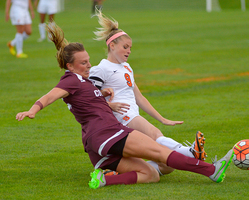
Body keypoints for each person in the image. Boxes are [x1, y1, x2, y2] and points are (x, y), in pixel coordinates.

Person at [16, 22, 234, 189]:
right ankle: (211, 170)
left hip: (97, 146)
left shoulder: (83, 82)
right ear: (69, 66)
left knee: (153, 174)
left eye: (88, 60)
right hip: (108, 132)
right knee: (160, 151)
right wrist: (33, 110)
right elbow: (49, 96)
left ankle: (104, 180)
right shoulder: (70, 80)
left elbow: (85, 101)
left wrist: (103, 96)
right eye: (83, 63)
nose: (89, 65)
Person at [89, 11, 207, 175]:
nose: (129, 51)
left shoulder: (127, 68)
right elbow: (88, 97)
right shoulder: (101, 68)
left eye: (130, 47)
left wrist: (162, 118)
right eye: (125, 47)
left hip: (131, 114)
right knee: (154, 134)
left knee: (167, 166)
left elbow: (139, 97)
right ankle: (190, 152)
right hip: (120, 117)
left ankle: (127, 172)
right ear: (112, 45)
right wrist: (109, 105)